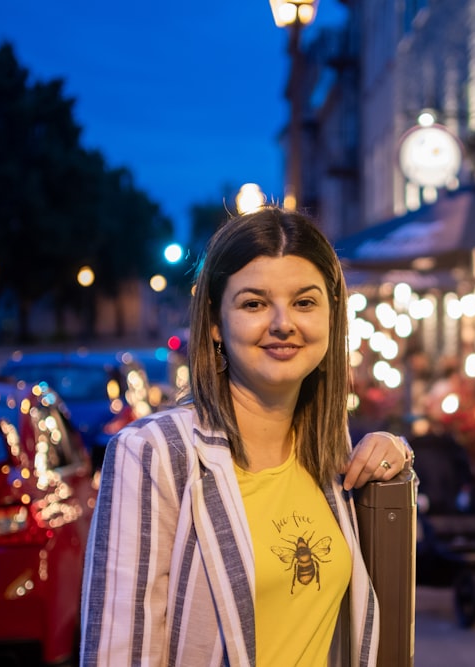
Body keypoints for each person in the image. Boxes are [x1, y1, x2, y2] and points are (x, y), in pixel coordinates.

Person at [80, 207, 412, 666]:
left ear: (333, 317)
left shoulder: (329, 460)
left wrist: (397, 451)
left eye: (305, 302)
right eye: (254, 303)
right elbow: (117, 654)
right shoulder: (154, 454)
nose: (283, 323)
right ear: (216, 322)